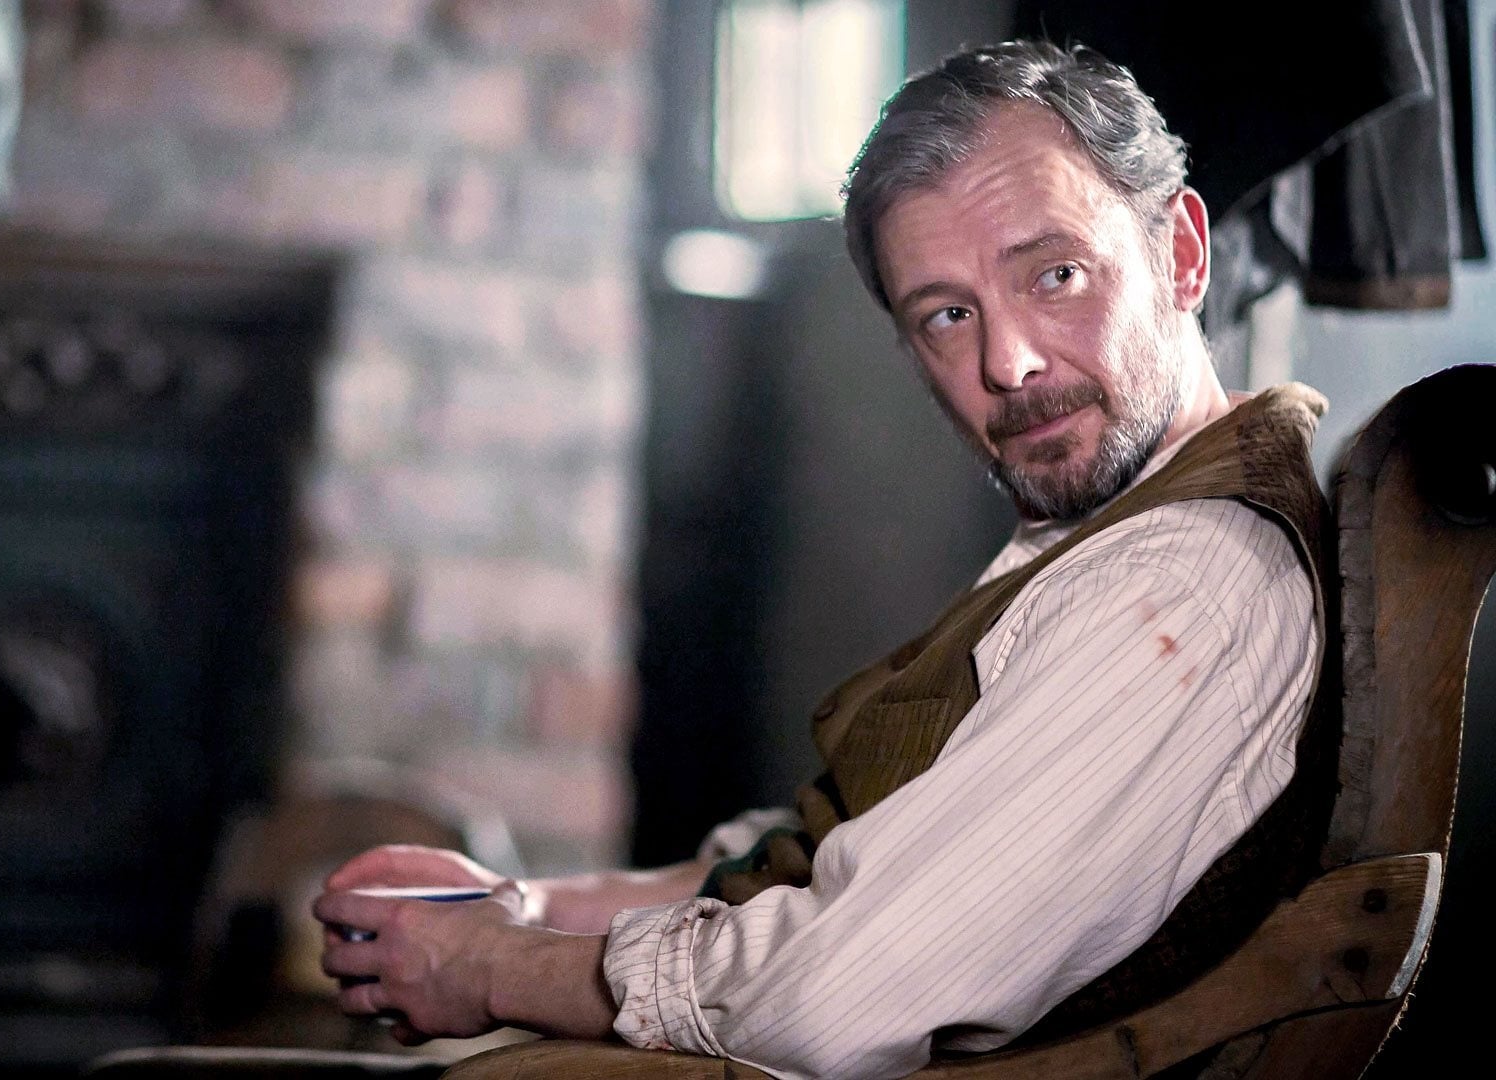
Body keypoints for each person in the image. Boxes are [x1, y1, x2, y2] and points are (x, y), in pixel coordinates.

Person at [312, 40, 1332, 1080]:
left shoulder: (1179, 588)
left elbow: (829, 996)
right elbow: (839, 864)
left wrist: (488, 965)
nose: (1007, 362)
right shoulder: (1101, 536)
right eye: (948, 315)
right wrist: (526, 906)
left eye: (1056, 274)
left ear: (1182, 254)